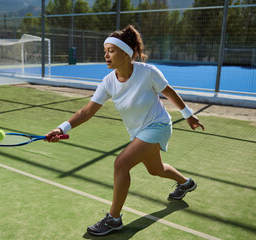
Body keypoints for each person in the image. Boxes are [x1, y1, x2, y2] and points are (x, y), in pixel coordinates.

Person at [45, 25, 205, 236]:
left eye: (111, 50)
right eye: (105, 51)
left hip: (158, 125)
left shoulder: (148, 73)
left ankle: (114, 219)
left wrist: (188, 115)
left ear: (126, 53)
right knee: (155, 169)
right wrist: (61, 128)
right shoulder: (108, 82)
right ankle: (186, 183)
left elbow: (169, 92)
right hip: (138, 131)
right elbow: (86, 111)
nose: (106, 55)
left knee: (121, 163)